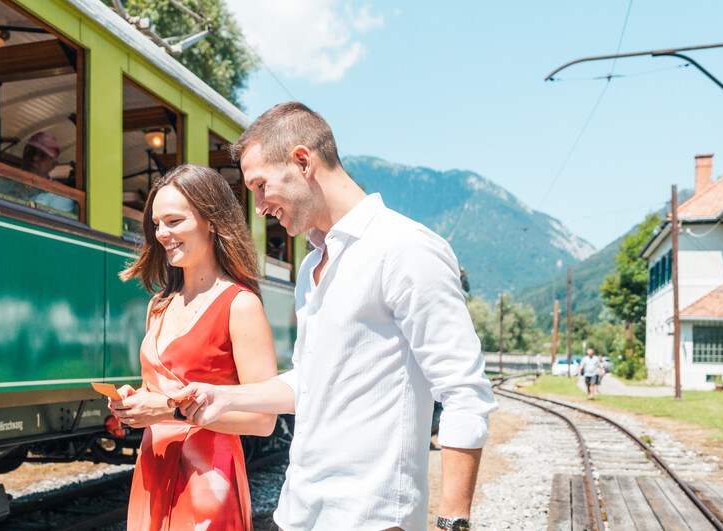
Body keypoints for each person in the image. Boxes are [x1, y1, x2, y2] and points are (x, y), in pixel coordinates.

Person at [173, 102, 497, 531]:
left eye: (260, 186)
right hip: (300, 512)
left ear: (303, 161)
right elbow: (311, 379)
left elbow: (465, 394)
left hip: (372, 518)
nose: (258, 207)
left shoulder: (405, 249)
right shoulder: (312, 267)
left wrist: (452, 522)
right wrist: (224, 397)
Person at [113, 164, 278, 530]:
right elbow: (158, 391)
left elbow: (264, 420)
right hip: (153, 469)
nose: (161, 234)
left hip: (208, 481)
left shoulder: (240, 304)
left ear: (211, 221)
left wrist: (168, 412)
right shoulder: (158, 305)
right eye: (156, 224)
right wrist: (134, 400)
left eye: (173, 221)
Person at [21, 131, 78, 218]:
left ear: (53, 164)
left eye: (43, 155)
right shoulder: (3, 187)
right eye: (31, 151)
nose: (34, 158)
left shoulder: (61, 198)